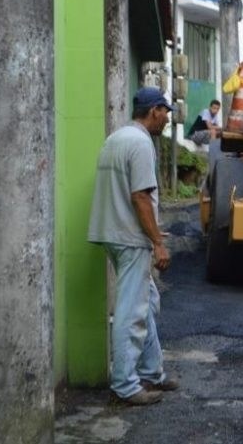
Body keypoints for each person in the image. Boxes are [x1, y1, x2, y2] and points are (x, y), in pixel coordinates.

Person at [88, 87, 179, 405]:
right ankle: (126, 385)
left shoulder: (117, 138)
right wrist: (157, 242)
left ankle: (153, 372)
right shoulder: (141, 143)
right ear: (154, 110)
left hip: (112, 232)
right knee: (133, 309)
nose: (167, 119)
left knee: (146, 302)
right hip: (130, 238)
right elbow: (140, 196)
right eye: (165, 112)